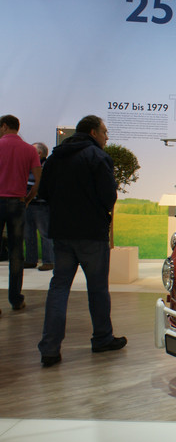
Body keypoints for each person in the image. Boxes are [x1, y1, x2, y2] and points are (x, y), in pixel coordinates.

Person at [37, 115, 126, 367]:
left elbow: (44, 193)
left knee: (58, 288)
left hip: (62, 233)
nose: (107, 137)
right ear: (93, 132)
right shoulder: (97, 157)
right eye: (105, 132)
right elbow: (108, 196)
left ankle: (50, 348)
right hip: (91, 234)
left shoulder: (55, 157)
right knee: (97, 288)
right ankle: (102, 338)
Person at [0, 115, 42, 314]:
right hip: (17, 203)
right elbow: (37, 179)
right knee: (16, 252)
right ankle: (16, 299)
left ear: (5, 126)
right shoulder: (29, 150)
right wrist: (27, 199)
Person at [24, 142, 54, 271]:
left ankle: (49, 261)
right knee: (28, 233)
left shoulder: (47, 166)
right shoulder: (27, 165)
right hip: (28, 203)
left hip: (42, 205)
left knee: (45, 233)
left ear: (39, 153)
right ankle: (31, 260)